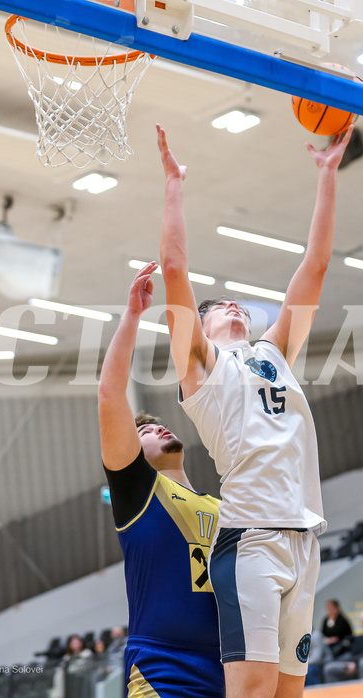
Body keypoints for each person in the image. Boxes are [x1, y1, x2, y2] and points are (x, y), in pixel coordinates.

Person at [156, 122, 353, 698]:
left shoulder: (275, 352)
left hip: (305, 540)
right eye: (220, 308)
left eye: (238, 304)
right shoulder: (203, 368)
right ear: (207, 326)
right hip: (252, 541)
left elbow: (315, 266)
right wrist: (174, 187)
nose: (233, 306)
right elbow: (174, 272)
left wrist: (326, 176)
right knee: (252, 692)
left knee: (290, 695)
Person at [98, 262, 224, 698]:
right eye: (144, 431)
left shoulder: (226, 507)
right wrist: (132, 316)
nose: (158, 428)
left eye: (157, 425)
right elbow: (110, 395)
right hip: (163, 670)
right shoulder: (138, 492)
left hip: (232, 667)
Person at [322, 610, 363, 682]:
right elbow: (353, 654)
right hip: (353, 663)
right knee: (329, 668)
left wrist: (356, 664)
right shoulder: (357, 639)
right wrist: (349, 663)